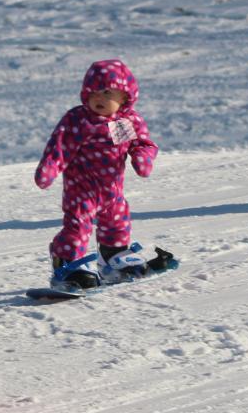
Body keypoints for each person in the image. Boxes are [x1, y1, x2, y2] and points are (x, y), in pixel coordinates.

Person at [35, 59, 159, 289]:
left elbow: (142, 144)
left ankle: (114, 255)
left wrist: (142, 158)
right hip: (81, 190)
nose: (99, 98)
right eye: (93, 92)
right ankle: (67, 262)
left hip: (112, 190)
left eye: (107, 92)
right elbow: (60, 147)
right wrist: (49, 168)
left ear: (125, 97)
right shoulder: (79, 120)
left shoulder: (123, 122)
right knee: (78, 227)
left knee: (117, 221)